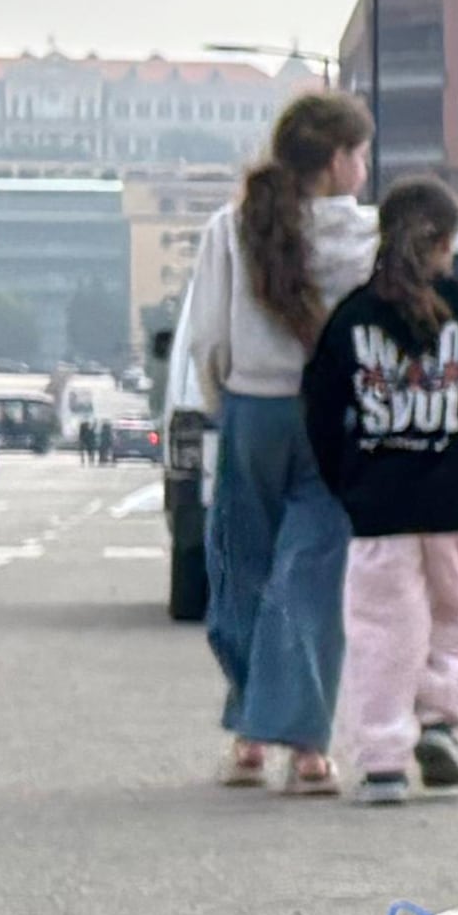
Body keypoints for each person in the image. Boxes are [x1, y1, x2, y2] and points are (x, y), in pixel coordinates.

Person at [167, 90, 379, 794]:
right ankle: (308, 750)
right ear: (337, 160)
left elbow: (207, 335)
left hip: (253, 411)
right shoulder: (366, 239)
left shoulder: (232, 226)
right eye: (360, 152)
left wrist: (223, 395)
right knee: (311, 577)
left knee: (242, 570)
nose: (366, 167)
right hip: (333, 418)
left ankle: (252, 733)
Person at [299, 174, 458, 806]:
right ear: (445, 241)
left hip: (378, 504)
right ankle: (441, 721)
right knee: (456, 616)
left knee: (381, 631)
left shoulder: (354, 315)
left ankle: (383, 762)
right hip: (456, 499)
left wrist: (348, 480)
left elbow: (318, 406)